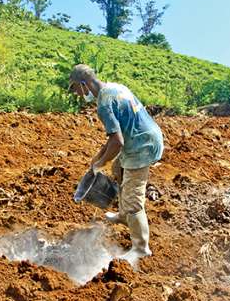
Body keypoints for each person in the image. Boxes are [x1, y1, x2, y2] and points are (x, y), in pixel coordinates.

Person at [69, 64, 164, 258]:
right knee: (117, 168)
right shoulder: (114, 87)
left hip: (141, 146)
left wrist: (100, 163)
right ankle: (123, 215)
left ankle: (140, 248)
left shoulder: (104, 103)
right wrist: (99, 157)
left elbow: (117, 142)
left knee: (133, 199)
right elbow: (115, 137)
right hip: (144, 136)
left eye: (76, 89)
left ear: (84, 84)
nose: (78, 94)